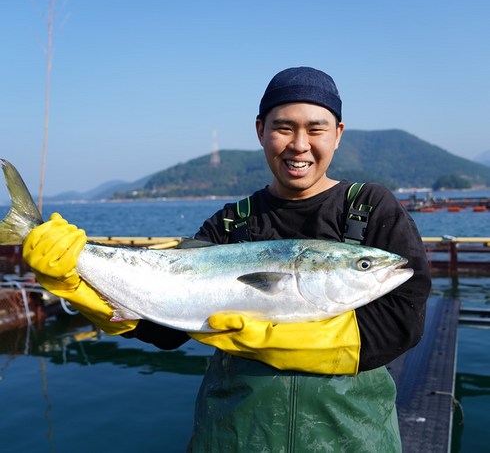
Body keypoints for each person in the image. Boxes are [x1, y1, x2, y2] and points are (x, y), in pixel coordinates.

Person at [23, 66, 431, 452]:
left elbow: (402, 319)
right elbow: (167, 329)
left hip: (349, 437)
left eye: (316, 129)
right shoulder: (231, 222)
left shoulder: (369, 207)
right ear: (261, 131)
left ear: (338, 134)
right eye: (283, 128)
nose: (300, 145)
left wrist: (284, 341)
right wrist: (76, 283)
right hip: (237, 436)